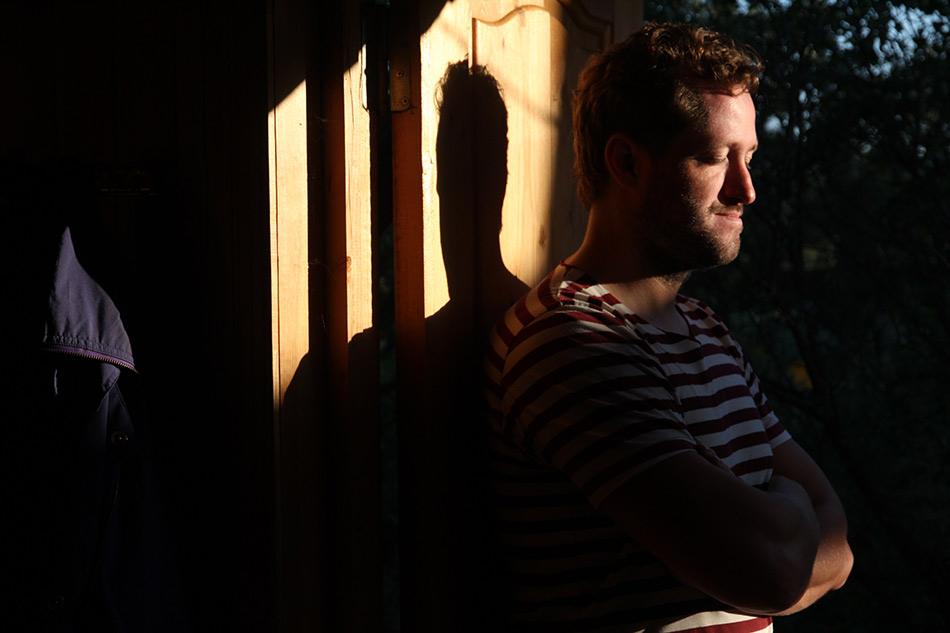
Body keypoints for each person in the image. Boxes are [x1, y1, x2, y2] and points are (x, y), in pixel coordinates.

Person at [484, 22, 853, 632]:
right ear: (627, 162)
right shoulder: (569, 340)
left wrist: (785, 533)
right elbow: (770, 572)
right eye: (714, 157)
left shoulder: (707, 331)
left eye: (750, 158)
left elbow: (837, 553)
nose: (746, 190)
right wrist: (791, 505)